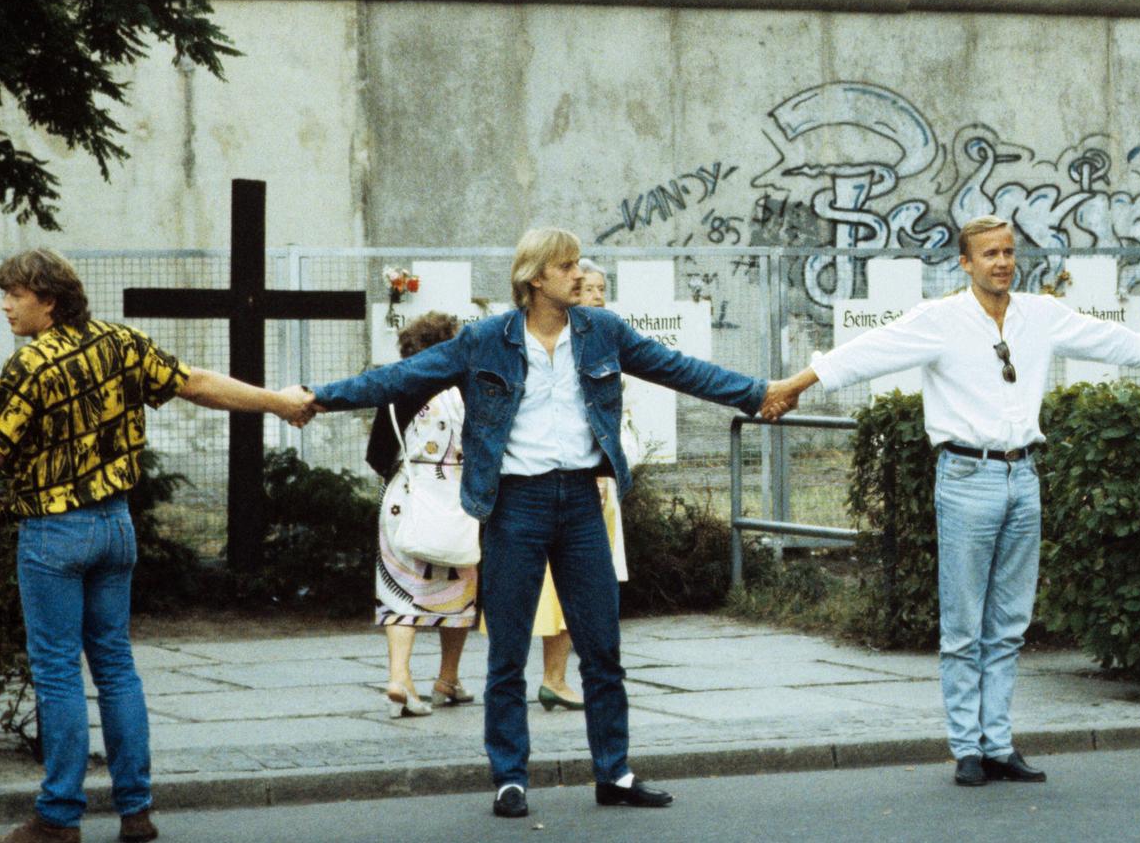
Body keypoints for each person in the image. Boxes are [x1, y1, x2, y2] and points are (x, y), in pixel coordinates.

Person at [284, 228, 799, 822]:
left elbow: (678, 368)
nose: (581, 274)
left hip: (581, 502)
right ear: (536, 279)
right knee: (507, 650)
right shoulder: (485, 341)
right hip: (515, 506)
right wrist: (318, 397)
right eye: (569, 266)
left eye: (580, 264)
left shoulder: (602, 331)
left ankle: (615, 772)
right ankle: (509, 778)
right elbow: (399, 379)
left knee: (601, 647)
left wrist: (757, 394)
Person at [0, 249, 310, 843]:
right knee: (115, 666)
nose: (5, 304)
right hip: (117, 527)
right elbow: (197, 383)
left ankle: (58, 816)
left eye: (16, 294)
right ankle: (135, 812)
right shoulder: (122, 342)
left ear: (50, 300)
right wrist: (279, 401)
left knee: (58, 672)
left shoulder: (31, 365)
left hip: (55, 533)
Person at [768, 215, 1140, 788]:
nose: (1002, 262)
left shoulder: (1038, 315)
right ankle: (966, 748)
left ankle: (999, 743)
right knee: (964, 624)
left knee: (1010, 624)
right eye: (989, 254)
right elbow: (869, 351)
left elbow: (1107, 336)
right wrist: (794, 385)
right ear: (966, 263)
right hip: (966, 477)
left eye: (1009, 252)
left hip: (1024, 477)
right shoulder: (941, 320)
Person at [367, 311, 477, 718]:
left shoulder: (397, 389)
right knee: (459, 586)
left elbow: (377, 455)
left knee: (400, 589)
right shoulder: (465, 388)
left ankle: (399, 676)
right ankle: (447, 678)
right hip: (456, 498)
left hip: (404, 497)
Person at [533, 259, 628, 712]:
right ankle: (554, 675)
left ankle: (564, 675)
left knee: (588, 591)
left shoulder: (602, 341)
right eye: (587, 288)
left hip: (595, 484)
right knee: (565, 586)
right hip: (573, 488)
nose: (595, 297)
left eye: (601, 289)